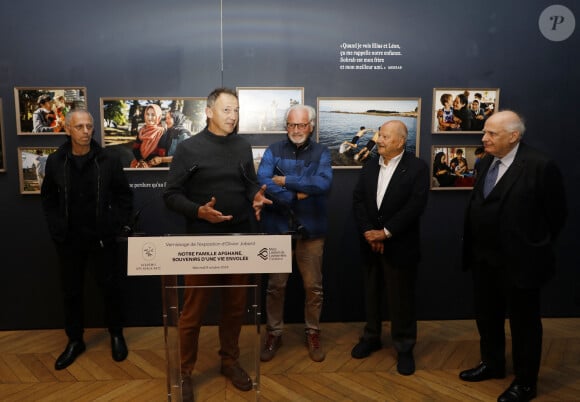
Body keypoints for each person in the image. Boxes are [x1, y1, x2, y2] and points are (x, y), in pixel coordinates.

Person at [163, 87, 272, 402]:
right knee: (193, 311)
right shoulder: (188, 148)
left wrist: (256, 196)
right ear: (209, 112)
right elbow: (170, 195)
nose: (233, 116)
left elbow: (248, 181)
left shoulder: (241, 146)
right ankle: (184, 372)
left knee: (236, 306)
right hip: (201, 241)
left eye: (236, 110)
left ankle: (229, 360)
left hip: (239, 238)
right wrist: (199, 211)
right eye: (226, 110)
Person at [459, 110, 567, 402]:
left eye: (491, 133)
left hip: (521, 264)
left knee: (524, 325)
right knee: (487, 317)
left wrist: (532, 246)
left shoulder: (540, 166)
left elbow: (556, 216)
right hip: (483, 260)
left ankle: (526, 382)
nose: (484, 138)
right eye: (485, 132)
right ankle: (493, 364)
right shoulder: (485, 163)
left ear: (513, 136)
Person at [40, 109, 134, 371]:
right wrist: (57, 228)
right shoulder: (56, 161)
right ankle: (75, 340)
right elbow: (48, 199)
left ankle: (116, 334)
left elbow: (124, 196)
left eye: (89, 126)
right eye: (79, 126)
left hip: (102, 240)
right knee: (71, 292)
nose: (85, 131)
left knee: (111, 289)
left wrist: (116, 225)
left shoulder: (108, 159)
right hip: (69, 240)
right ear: (68, 129)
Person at [350, 120, 429, 376]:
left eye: (384, 136)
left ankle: (404, 348)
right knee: (371, 294)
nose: (379, 140)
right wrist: (369, 233)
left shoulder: (417, 168)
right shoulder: (370, 164)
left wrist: (385, 233)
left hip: (400, 245)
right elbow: (359, 200)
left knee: (401, 300)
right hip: (370, 244)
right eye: (379, 135)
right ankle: (371, 337)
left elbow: (415, 206)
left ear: (400, 142)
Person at [257, 104, 333, 363]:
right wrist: (298, 193)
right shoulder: (273, 150)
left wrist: (286, 181)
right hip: (277, 229)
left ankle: (313, 332)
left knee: (314, 287)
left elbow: (323, 183)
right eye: (292, 125)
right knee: (276, 286)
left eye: (301, 125)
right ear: (286, 126)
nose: (296, 130)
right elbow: (263, 181)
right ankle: (274, 333)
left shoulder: (322, 152)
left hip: (312, 230)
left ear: (311, 126)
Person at [130, 103, 166, 168]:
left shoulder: (161, 132)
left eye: (153, 115)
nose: (149, 117)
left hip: (155, 167)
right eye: (147, 114)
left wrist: (149, 164)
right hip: (140, 164)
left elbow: (161, 154)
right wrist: (141, 161)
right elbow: (135, 149)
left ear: (158, 116)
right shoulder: (142, 130)